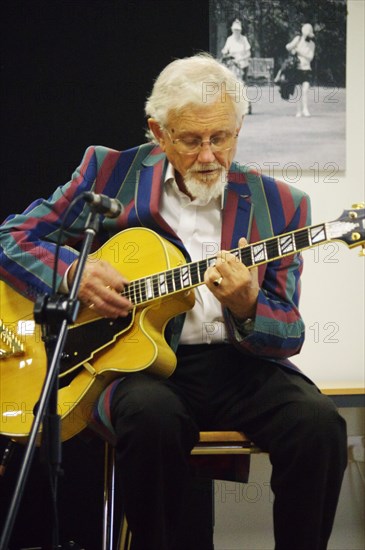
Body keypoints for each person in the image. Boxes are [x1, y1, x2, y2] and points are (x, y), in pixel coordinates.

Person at [0, 53, 347, 550]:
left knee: (320, 426)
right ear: (157, 133)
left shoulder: (282, 204)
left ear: (238, 129)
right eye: (190, 140)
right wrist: (73, 271)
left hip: (237, 365)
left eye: (221, 137)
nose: (209, 155)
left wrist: (249, 306)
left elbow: (288, 330)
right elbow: (12, 237)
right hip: (134, 367)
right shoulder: (109, 173)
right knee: (152, 418)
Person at [286, 23, 316, 117]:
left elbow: (310, 57)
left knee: (305, 90)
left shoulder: (312, 44)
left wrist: (299, 51)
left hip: (307, 69)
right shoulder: (298, 39)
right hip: (297, 68)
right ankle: (298, 111)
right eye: (307, 34)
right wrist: (293, 48)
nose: (308, 36)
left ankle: (305, 109)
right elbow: (288, 47)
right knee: (298, 91)